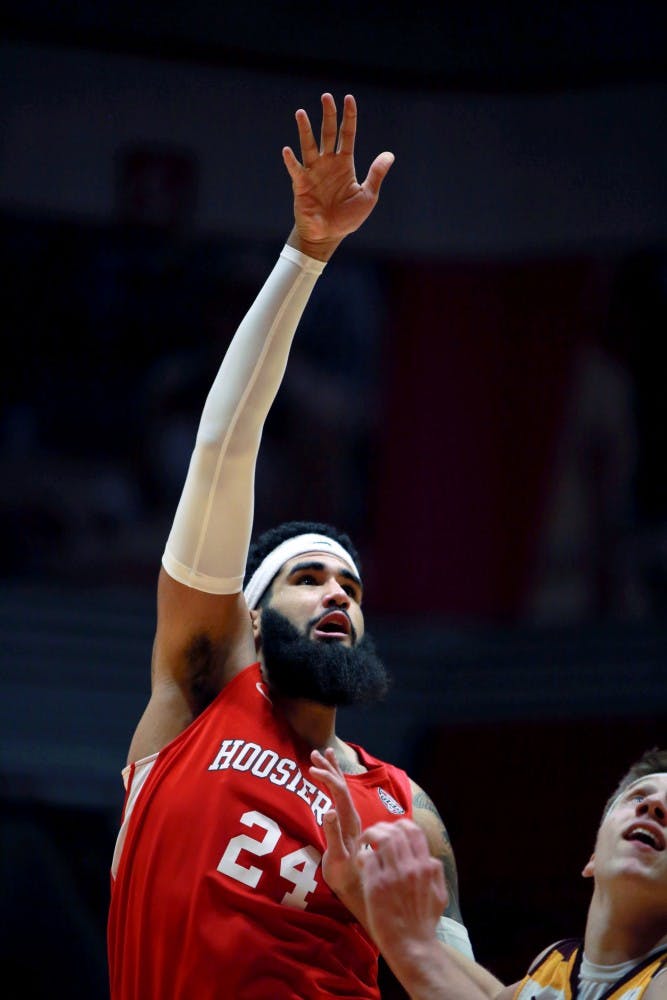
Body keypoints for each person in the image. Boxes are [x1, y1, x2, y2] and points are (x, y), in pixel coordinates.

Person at [107, 92, 472, 1000]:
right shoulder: (202, 686)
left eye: (348, 582)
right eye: (306, 579)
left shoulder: (404, 807)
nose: (339, 594)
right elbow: (221, 450)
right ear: (249, 619)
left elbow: (457, 986)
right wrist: (305, 256)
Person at [312, 746, 667, 998]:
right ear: (592, 857)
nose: (654, 806)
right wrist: (357, 888)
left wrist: (412, 947)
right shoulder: (555, 964)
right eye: (638, 797)